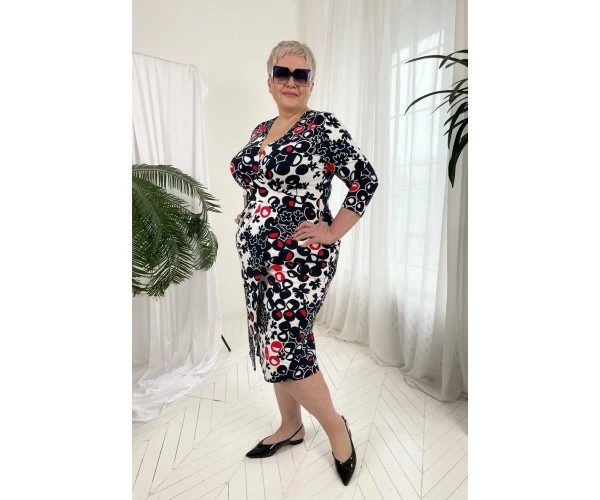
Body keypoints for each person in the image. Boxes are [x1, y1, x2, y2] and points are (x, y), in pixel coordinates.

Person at [229, 40, 378, 486]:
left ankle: (336, 427)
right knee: (272, 339)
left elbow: (365, 180)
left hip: (301, 260)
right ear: (270, 80)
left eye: (301, 74)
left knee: (287, 345)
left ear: (311, 83)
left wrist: (332, 231)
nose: (291, 82)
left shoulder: (322, 128)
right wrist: (252, 210)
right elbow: (258, 182)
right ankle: (291, 426)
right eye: (283, 73)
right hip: (257, 258)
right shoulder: (261, 129)